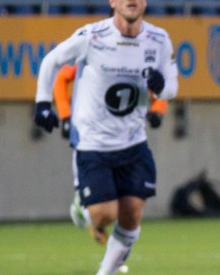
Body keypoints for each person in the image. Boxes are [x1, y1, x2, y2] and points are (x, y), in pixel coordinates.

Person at [34, 0, 178, 275]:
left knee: (132, 213)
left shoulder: (159, 40)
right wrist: (43, 103)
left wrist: (161, 85)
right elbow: (51, 61)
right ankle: (83, 207)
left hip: (133, 141)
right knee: (104, 215)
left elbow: (172, 87)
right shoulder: (92, 36)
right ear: (112, 0)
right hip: (93, 143)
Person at [54, 63, 169, 233]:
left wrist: (158, 109)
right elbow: (63, 77)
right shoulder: (94, 53)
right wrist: (65, 115)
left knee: (128, 206)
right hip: (92, 135)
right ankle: (84, 202)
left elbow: (160, 84)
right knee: (101, 208)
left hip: (127, 141)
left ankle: (99, 218)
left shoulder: (140, 55)